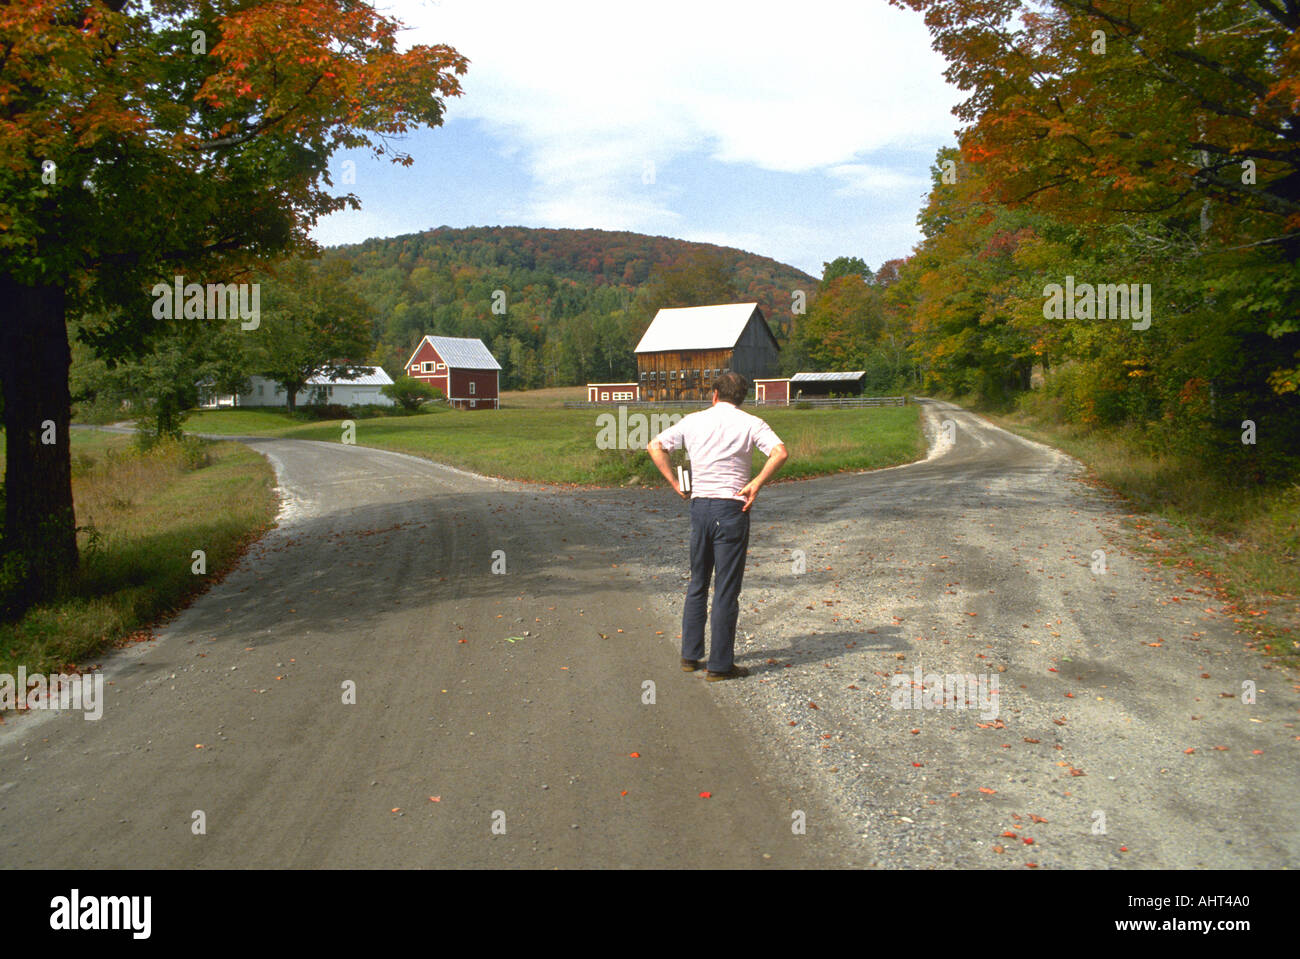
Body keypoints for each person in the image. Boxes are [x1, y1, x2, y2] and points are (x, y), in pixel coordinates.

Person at [646, 371, 789, 681]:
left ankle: (690, 655)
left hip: (700, 507)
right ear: (741, 398)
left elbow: (655, 445)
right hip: (732, 506)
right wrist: (757, 483)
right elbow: (780, 452)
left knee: (698, 581)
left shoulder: (693, 420)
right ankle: (720, 666)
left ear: (714, 394)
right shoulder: (751, 423)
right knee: (725, 588)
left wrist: (673, 480)